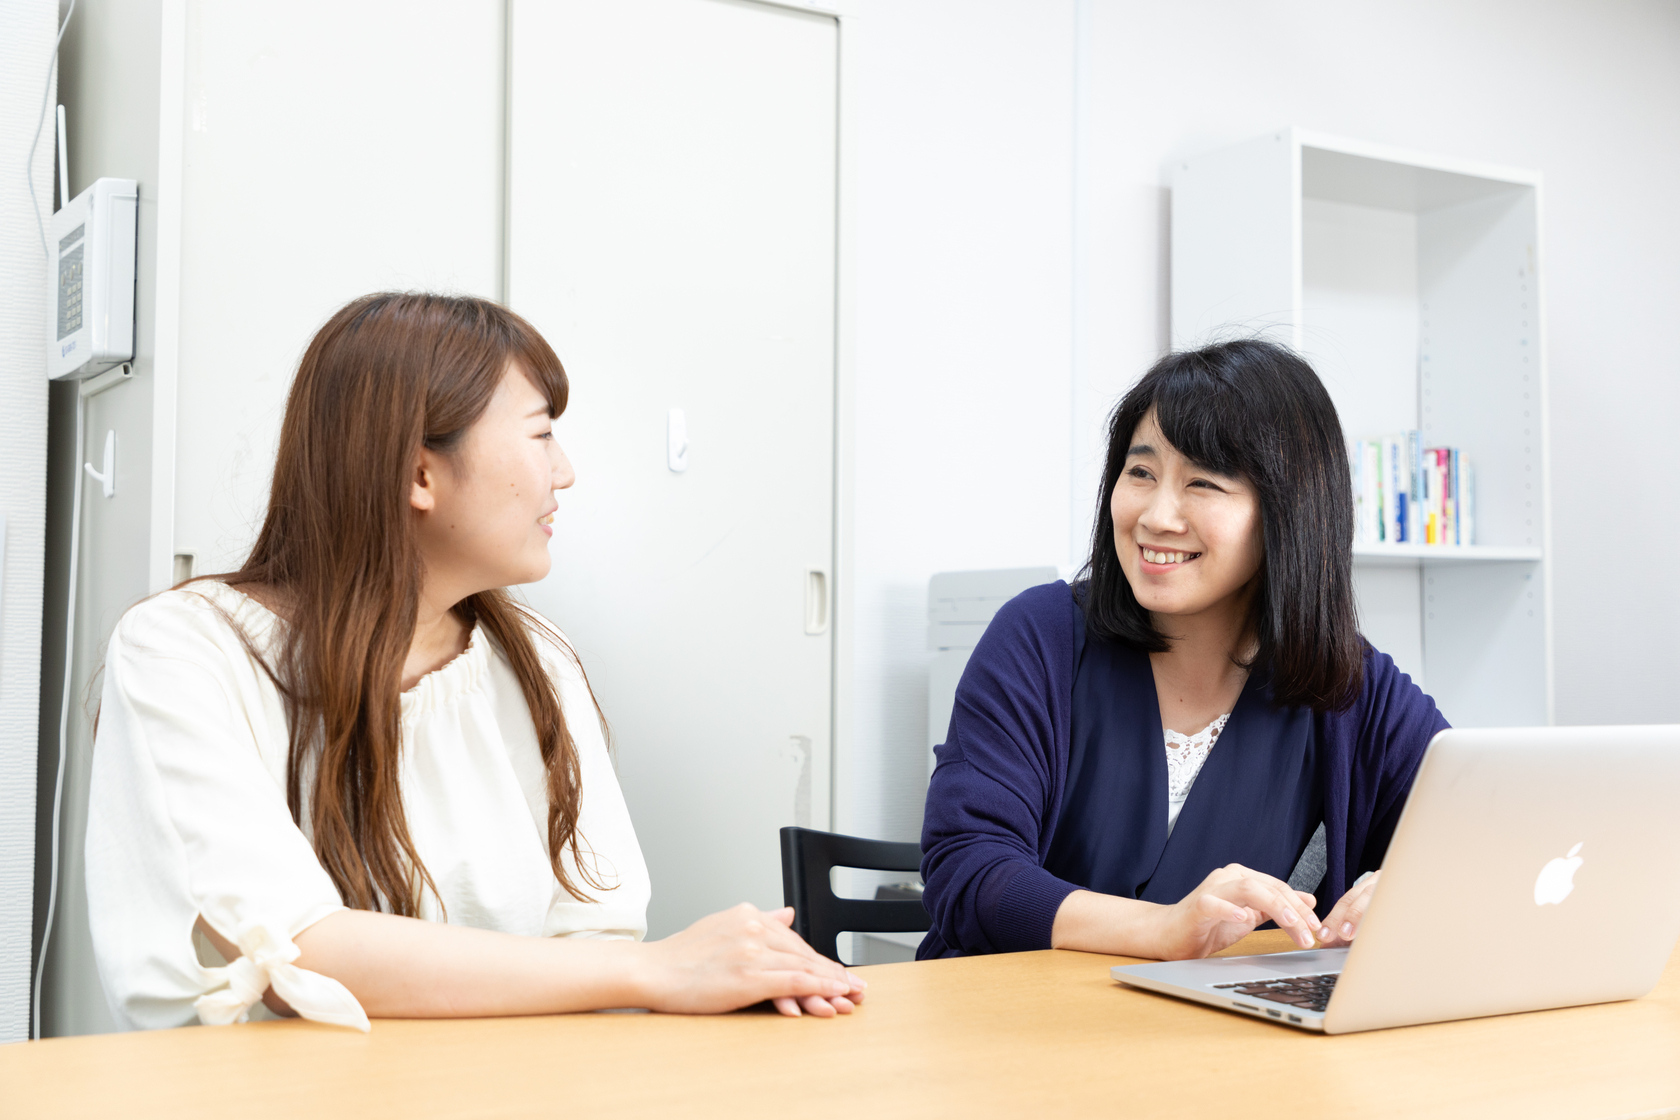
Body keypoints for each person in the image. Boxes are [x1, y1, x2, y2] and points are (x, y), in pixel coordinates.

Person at [86, 292, 865, 1030]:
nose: (564, 472)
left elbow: (598, 937)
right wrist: (662, 971)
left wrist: (683, 971)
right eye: (540, 433)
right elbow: (296, 959)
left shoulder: (536, 663)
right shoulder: (181, 651)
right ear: (418, 473)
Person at [918, 339, 1447, 960]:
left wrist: (1412, 888)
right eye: (1140, 472)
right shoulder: (1041, 635)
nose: (1156, 515)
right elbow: (969, 872)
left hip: (1230, 1044)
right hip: (1020, 1030)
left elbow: (1485, 834)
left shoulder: (1353, 685)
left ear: (1289, 513)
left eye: (1202, 482)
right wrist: (1165, 930)